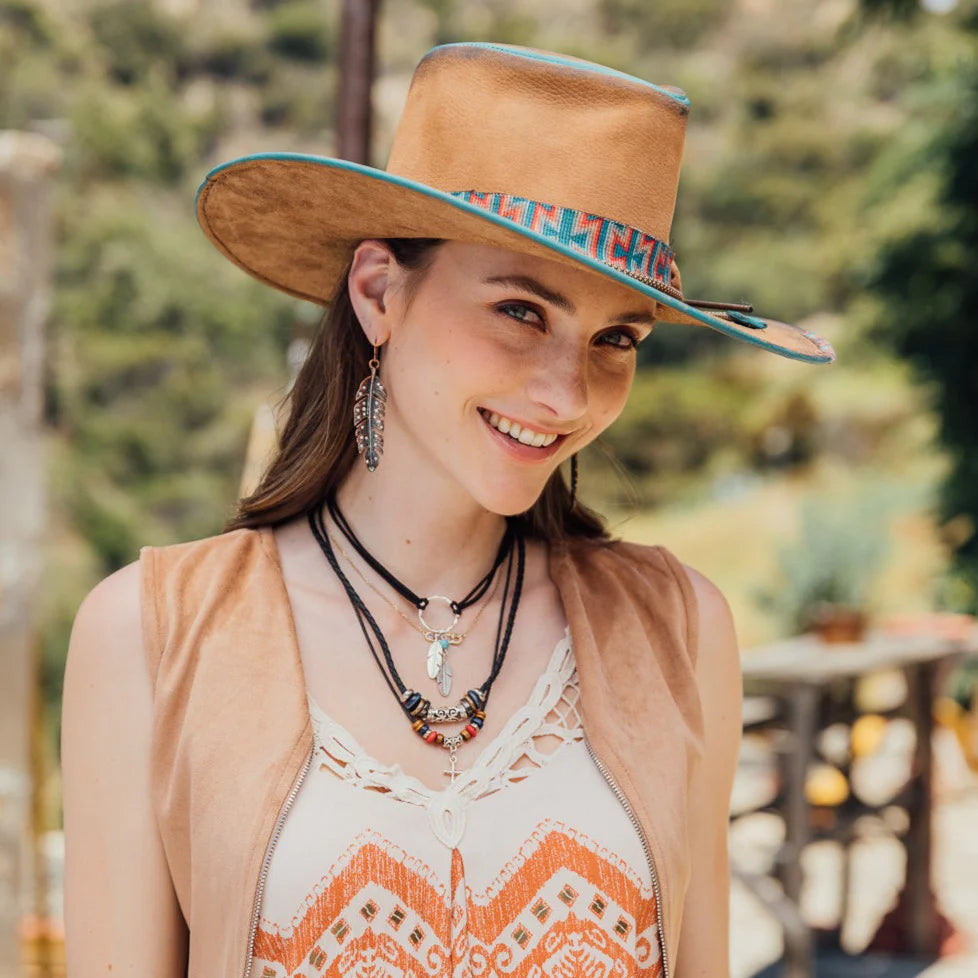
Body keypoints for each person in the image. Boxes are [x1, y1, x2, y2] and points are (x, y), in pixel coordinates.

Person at [60, 42, 835, 978]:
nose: (566, 393)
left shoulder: (679, 628)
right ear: (378, 291)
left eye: (616, 338)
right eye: (521, 311)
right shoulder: (150, 636)